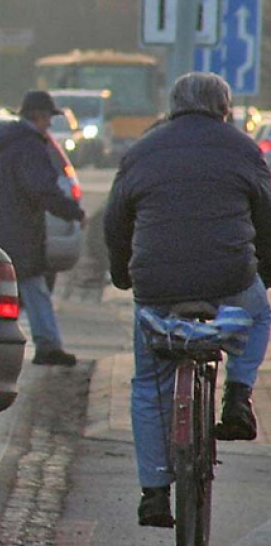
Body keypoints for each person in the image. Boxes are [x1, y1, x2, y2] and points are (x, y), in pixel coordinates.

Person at [103, 72, 271, 528]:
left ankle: (154, 492)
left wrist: (123, 275)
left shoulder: (141, 151)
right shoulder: (243, 149)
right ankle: (237, 395)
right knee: (259, 314)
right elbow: (267, 215)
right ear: (224, 108)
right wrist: (265, 273)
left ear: (173, 106)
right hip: (228, 278)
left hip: (157, 287)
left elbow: (115, 222)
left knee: (149, 384)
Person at [0, 90, 86, 367]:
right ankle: (48, 345)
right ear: (37, 116)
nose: (50, 124)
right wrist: (73, 212)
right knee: (34, 288)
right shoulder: (30, 146)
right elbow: (42, 189)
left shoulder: (2, 142)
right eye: (48, 118)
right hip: (20, 231)